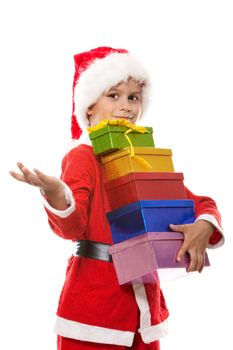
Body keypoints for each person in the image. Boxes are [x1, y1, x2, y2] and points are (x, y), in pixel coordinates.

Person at [9, 47, 224, 350]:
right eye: (113, 95)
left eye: (133, 97)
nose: (126, 107)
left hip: (144, 314)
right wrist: (57, 193)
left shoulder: (144, 160)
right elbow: (72, 227)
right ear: (89, 108)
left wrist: (204, 224)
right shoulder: (82, 157)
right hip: (93, 313)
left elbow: (199, 203)